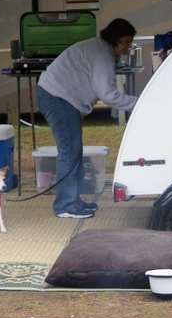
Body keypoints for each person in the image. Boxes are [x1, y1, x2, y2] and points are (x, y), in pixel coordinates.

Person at [36, 18, 138, 219]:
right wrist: (138, 103)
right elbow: (107, 94)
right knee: (69, 151)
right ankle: (65, 206)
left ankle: (72, 200)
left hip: (58, 96)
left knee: (74, 150)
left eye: (129, 42)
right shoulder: (102, 55)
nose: (128, 47)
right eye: (125, 42)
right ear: (114, 39)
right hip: (57, 97)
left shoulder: (99, 48)